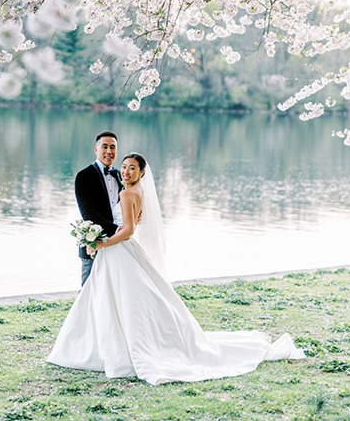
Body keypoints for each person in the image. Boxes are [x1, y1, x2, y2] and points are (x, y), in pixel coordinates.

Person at [48, 153, 305, 385]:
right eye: (124, 167)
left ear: (142, 173)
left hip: (118, 250)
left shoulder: (126, 194)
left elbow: (127, 231)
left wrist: (101, 243)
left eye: (132, 168)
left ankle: (101, 349)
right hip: (121, 252)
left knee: (117, 299)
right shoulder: (136, 191)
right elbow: (132, 223)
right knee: (117, 297)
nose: (125, 171)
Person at [73, 130, 123, 286]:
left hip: (117, 245)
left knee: (110, 292)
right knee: (88, 291)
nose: (109, 151)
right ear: (96, 150)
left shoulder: (121, 176)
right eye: (105, 147)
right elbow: (89, 214)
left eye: (113, 147)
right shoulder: (84, 176)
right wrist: (118, 230)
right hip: (93, 243)